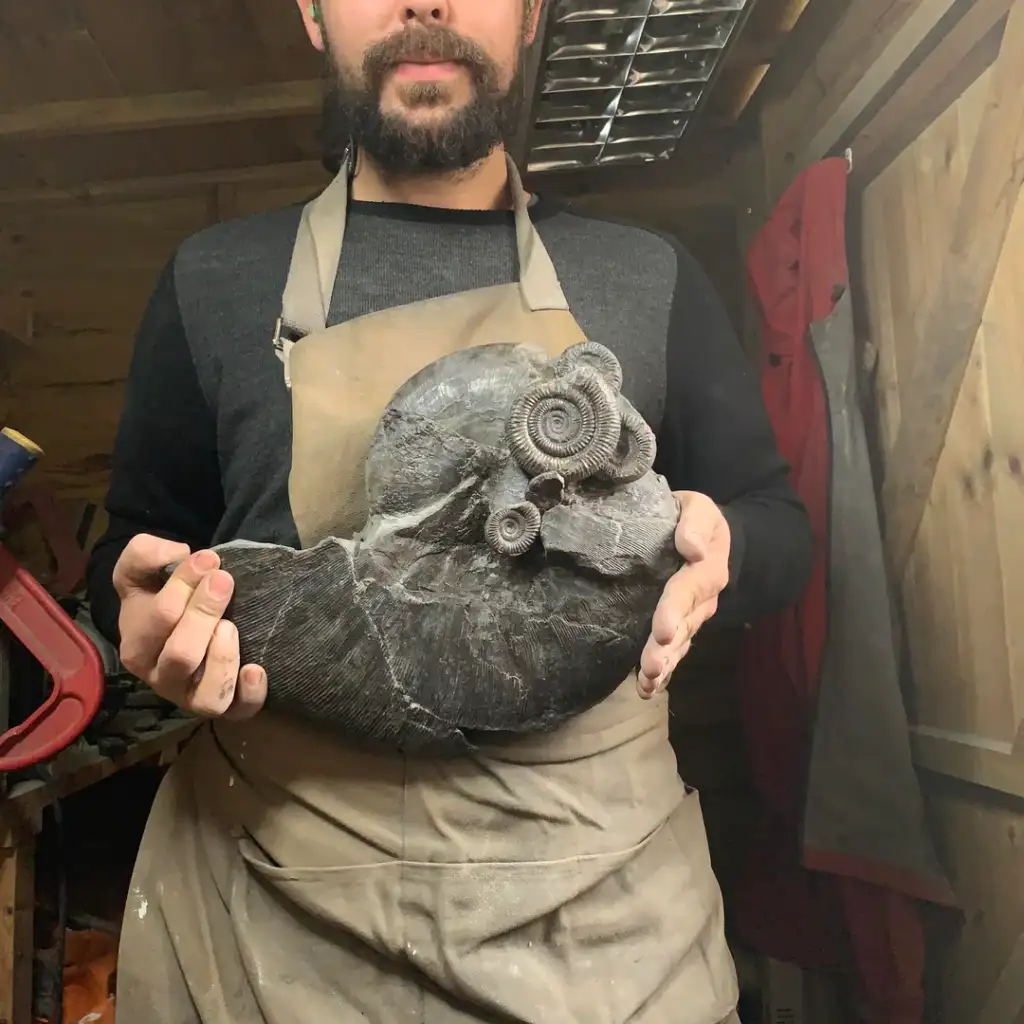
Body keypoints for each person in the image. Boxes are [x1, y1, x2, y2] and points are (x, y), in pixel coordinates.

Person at [85, 1, 814, 1021]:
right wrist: (141, 617)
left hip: (602, 918)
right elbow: (127, 554)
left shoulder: (646, 278)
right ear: (311, 14)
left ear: (528, 18)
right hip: (279, 918)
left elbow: (780, 525)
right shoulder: (214, 281)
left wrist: (725, 544)